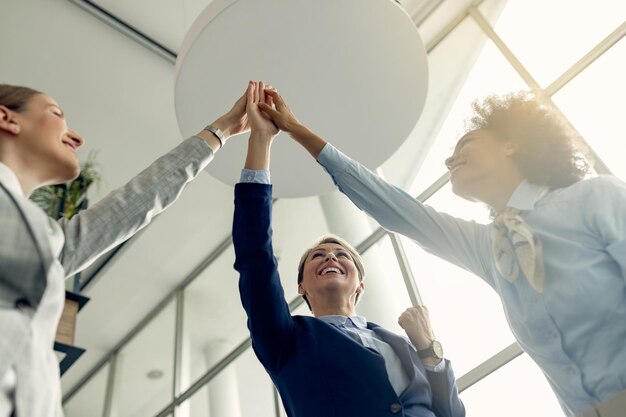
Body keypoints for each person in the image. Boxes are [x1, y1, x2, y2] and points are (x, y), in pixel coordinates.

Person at [257, 87, 626, 417]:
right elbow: (395, 208)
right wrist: (297, 131)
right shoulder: (490, 249)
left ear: (511, 143)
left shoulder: (596, 198)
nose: (450, 161)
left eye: (464, 147)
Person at [0, 83, 252, 417]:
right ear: (7, 119)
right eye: (56, 114)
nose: (76, 138)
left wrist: (223, 130)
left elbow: (130, 205)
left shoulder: (46, 241)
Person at [232, 81, 465, 417]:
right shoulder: (287, 340)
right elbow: (255, 257)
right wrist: (261, 139)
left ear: (361, 284)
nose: (331, 256)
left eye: (343, 256)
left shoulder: (401, 345)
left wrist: (429, 349)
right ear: (301, 286)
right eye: (318, 256)